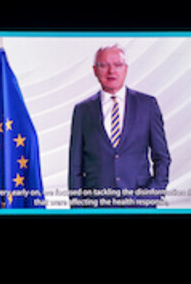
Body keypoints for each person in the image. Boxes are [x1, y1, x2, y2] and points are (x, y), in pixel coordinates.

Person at [68, 44, 171, 207]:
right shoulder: (82, 111)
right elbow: (75, 167)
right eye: (104, 65)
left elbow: (162, 158)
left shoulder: (147, 105)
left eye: (117, 65)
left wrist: (150, 197)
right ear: (94, 70)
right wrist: (78, 208)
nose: (111, 71)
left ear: (126, 69)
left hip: (139, 206)